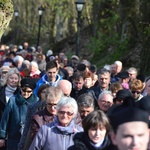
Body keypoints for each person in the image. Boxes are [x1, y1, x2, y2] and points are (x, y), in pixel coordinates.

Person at [0, 78, 38, 150]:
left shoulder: (36, 101)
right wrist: (2, 137)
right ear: (20, 89)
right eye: (24, 90)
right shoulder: (13, 100)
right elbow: (5, 119)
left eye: (29, 91)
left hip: (30, 138)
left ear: (33, 91)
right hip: (14, 138)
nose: (26, 93)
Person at [18, 84, 50, 150]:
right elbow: (27, 125)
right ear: (39, 93)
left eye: (48, 92)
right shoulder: (32, 106)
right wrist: (22, 143)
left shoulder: (52, 108)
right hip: (32, 135)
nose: (46, 94)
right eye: (44, 92)